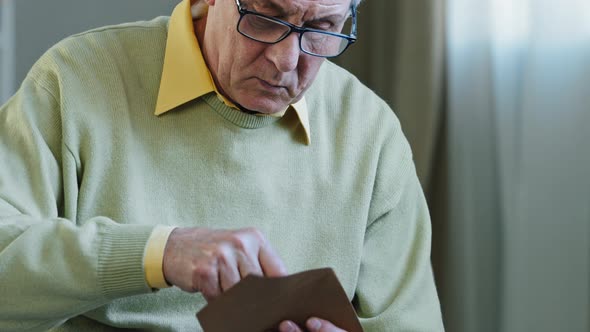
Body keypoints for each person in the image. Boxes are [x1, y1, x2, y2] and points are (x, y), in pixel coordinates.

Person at [0, 0, 444, 330]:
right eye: (266, 16)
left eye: (322, 28)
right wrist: (160, 252)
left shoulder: (370, 132)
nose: (286, 61)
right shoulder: (74, 80)